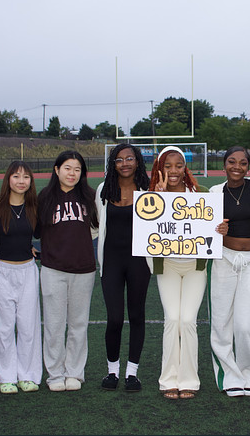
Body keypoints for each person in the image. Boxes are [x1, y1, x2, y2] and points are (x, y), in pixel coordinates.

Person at [208, 146, 250, 397]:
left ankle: (248, 372)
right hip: (224, 260)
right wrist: (217, 229)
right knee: (221, 322)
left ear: (248, 165)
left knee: (245, 325)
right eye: (232, 162)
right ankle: (229, 375)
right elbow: (207, 227)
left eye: (243, 162)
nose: (237, 166)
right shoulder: (215, 192)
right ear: (224, 165)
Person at [149, 146, 209, 400]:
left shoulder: (201, 194)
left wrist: (221, 227)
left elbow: (212, 226)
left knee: (188, 321)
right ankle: (168, 380)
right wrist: (158, 199)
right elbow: (144, 234)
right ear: (160, 168)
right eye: (168, 166)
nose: (173, 171)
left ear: (186, 168)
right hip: (169, 266)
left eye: (179, 165)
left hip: (195, 267)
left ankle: (189, 380)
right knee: (172, 319)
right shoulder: (151, 197)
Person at [36, 150, 99, 392]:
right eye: (67, 168)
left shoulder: (90, 197)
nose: (72, 173)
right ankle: (54, 374)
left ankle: (74, 372)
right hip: (53, 269)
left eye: (77, 169)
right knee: (54, 324)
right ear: (56, 170)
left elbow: (98, 228)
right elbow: (33, 230)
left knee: (78, 324)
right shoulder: (44, 197)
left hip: (84, 269)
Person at [95, 144, 152, 392]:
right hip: (112, 262)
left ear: (137, 161)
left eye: (129, 158)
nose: (125, 163)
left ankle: (132, 373)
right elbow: (95, 226)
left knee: (137, 315)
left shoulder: (149, 189)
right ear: (113, 164)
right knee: (115, 318)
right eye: (119, 160)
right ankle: (112, 372)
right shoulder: (103, 191)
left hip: (140, 261)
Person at [0, 160, 42, 394]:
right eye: (16, 176)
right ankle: (6, 376)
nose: (21, 181)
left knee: (28, 326)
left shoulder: (34, 207)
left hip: (28, 271)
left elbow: (44, 234)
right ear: (8, 179)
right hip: (1, 271)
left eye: (26, 177)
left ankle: (28, 375)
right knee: (3, 327)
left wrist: (36, 251)